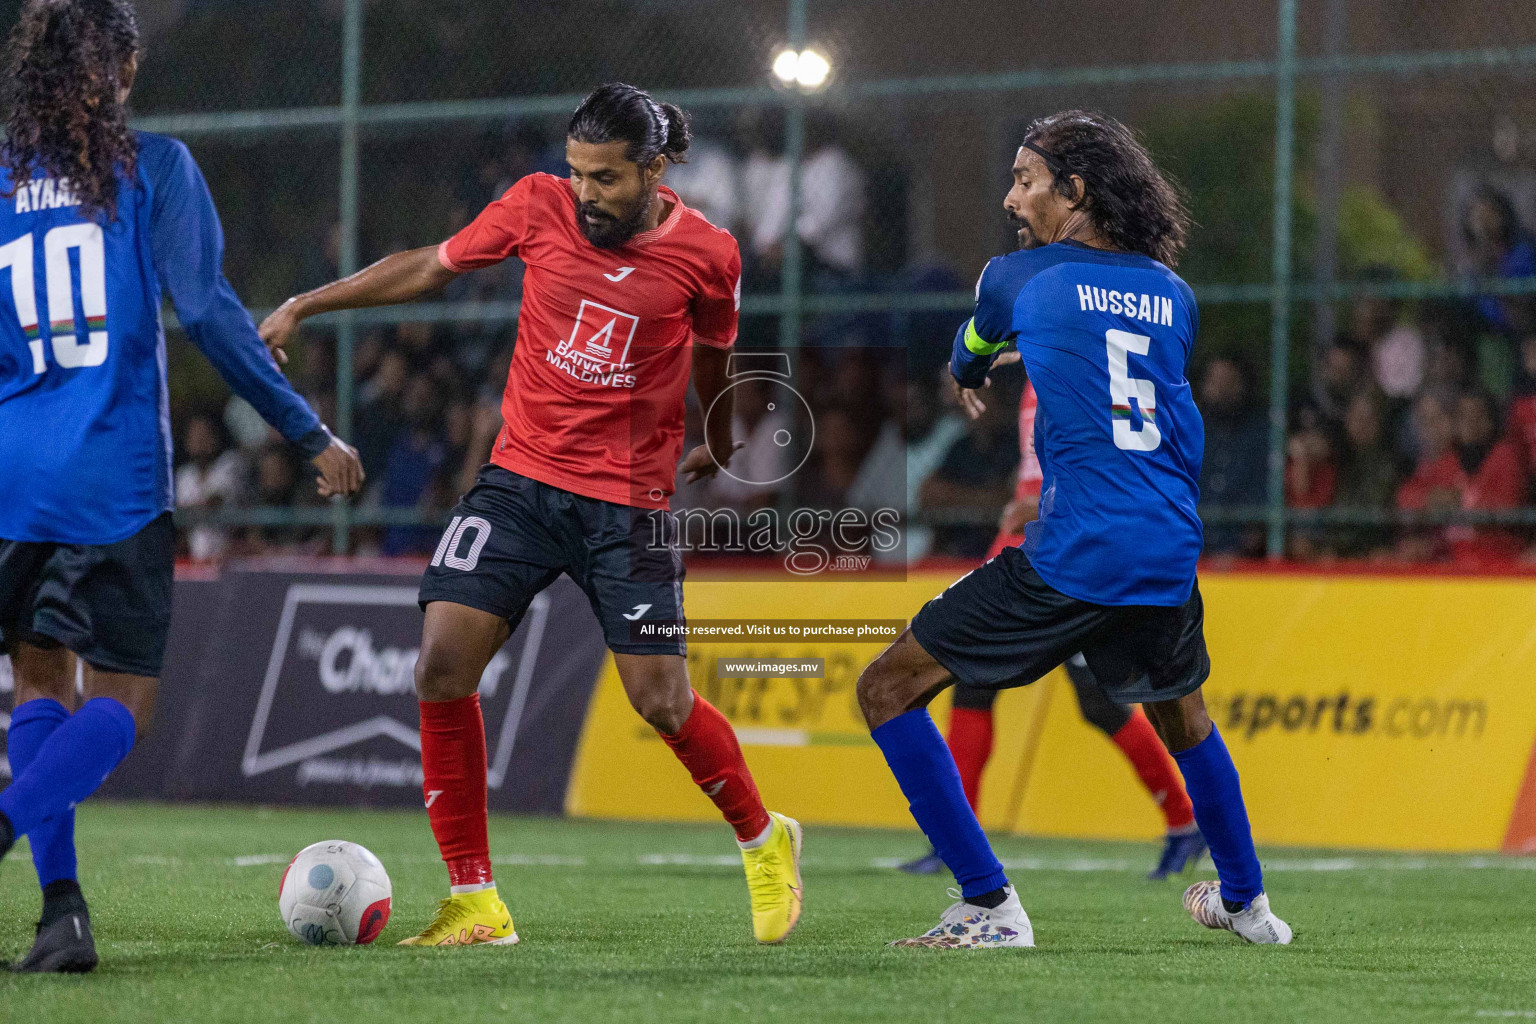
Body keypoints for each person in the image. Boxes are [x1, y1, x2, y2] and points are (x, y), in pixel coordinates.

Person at [260, 83, 804, 948]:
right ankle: (476, 902)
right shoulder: (536, 205)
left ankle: (763, 836)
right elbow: (430, 265)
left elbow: (716, 356)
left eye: (608, 178)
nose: (587, 192)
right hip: (520, 480)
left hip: (627, 500)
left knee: (661, 702)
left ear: (656, 170)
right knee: (442, 664)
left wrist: (721, 436)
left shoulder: (710, 254)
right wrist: (306, 305)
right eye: (579, 172)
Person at [856, 110, 1292, 948]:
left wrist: (973, 370)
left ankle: (987, 907)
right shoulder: (1175, 294)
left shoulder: (1015, 278)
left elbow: (970, 349)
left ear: (1076, 191)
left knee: (887, 687)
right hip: (1165, 543)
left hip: (1076, 548)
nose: (1012, 196)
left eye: (1026, 179)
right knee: (1185, 720)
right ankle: (1249, 906)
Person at [0, 0, 363, 973]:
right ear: (117, 73)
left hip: (13, 471)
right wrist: (305, 425)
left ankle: (63, 915)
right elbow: (206, 309)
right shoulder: (151, 167)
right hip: (112, 476)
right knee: (125, 704)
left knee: (38, 681)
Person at [898, 377, 1205, 882]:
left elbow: (1114, 463)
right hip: (1028, 548)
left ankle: (1186, 821)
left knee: (1098, 700)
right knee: (980, 684)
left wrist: (1045, 509)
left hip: (1065, 552)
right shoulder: (1045, 360)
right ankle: (955, 838)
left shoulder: (1079, 363)